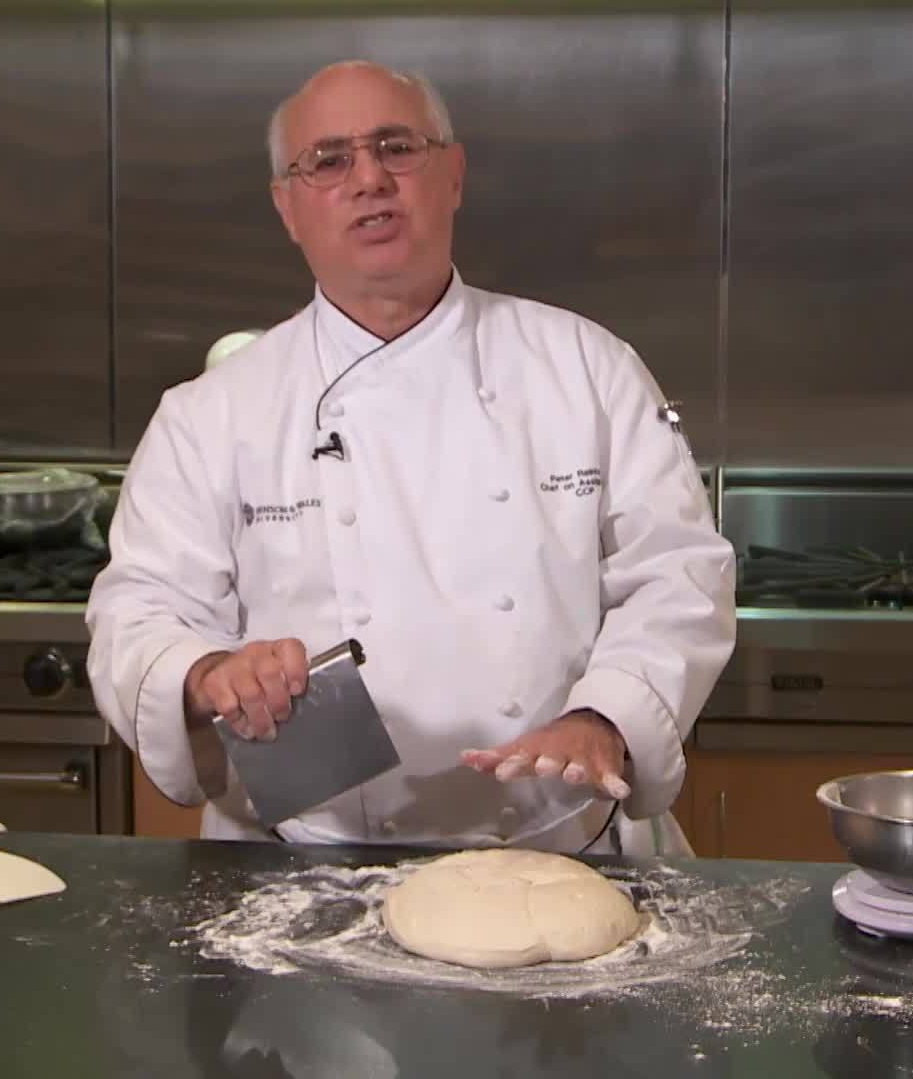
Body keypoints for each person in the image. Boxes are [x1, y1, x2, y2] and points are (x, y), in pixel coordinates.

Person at [86, 60, 735, 855]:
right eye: (328, 161)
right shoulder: (211, 414)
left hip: (564, 848)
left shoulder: (586, 369)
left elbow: (678, 575)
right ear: (287, 207)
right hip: (302, 865)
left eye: (397, 147)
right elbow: (139, 610)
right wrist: (206, 670)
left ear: (453, 174)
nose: (369, 179)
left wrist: (607, 715)